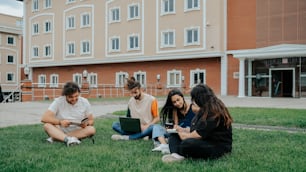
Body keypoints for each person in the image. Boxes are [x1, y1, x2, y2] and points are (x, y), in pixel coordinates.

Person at [162, 84, 233, 163]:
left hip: (218, 145)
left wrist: (182, 134)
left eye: (194, 98)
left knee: (187, 143)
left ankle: (180, 152)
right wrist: (182, 129)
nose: (193, 101)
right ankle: (175, 155)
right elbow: (195, 129)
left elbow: (196, 135)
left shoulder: (213, 111)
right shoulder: (203, 109)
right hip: (205, 139)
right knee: (174, 135)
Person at [111, 77, 168, 152]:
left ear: (141, 89)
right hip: (136, 128)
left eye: (135, 92)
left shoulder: (152, 100)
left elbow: (157, 118)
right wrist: (128, 124)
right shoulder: (131, 101)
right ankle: (142, 136)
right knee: (115, 124)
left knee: (155, 127)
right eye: (131, 93)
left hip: (147, 128)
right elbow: (128, 117)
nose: (134, 95)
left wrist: (146, 126)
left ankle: (127, 137)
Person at [41, 81, 96, 146]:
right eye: (70, 97)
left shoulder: (84, 102)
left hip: (78, 131)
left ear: (79, 93)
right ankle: (68, 139)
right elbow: (44, 118)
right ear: (65, 95)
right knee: (47, 126)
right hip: (60, 129)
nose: (74, 99)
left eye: (76, 96)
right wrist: (60, 122)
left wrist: (87, 123)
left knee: (91, 129)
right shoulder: (59, 101)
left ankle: (56, 138)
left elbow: (91, 120)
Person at [152, 89, 196, 153]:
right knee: (156, 127)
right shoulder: (175, 110)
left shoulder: (193, 108)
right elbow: (176, 125)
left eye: (178, 100)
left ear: (182, 97)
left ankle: (164, 143)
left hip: (189, 132)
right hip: (178, 132)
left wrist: (183, 129)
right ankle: (164, 145)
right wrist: (171, 128)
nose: (177, 103)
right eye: (174, 102)